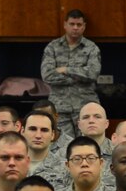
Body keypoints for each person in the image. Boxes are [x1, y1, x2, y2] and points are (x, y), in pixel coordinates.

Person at [40, 9, 101, 142]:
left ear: (84, 26)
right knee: (62, 145)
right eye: (72, 24)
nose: (75, 28)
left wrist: (66, 70)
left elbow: (92, 73)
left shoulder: (91, 48)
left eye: (79, 25)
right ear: (65, 25)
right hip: (60, 107)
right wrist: (79, 76)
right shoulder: (53, 47)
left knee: (88, 144)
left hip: (85, 108)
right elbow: (47, 75)